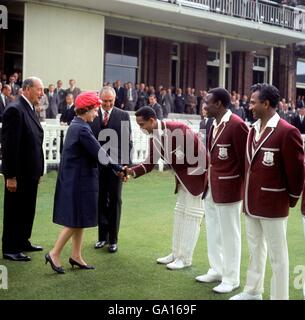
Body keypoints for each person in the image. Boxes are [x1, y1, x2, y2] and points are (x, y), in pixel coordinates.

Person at [230, 83, 305, 300]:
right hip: (252, 201)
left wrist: (290, 199)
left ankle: (279, 297)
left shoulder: (287, 131)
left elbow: (296, 171)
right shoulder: (252, 129)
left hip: (274, 202)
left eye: (254, 102)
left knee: (278, 256)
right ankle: (253, 291)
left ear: (266, 103)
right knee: (255, 249)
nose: (249, 105)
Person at [45, 91, 124, 274]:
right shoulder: (82, 129)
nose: (97, 113)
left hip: (77, 181)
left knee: (79, 220)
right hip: (78, 183)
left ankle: (76, 255)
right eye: (95, 110)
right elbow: (100, 154)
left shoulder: (77, 125)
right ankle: (55, 253)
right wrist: (119, 169)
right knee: (74, 221)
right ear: (86, 109)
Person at [124, 106, 207, 270]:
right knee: (179, 213)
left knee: (192, 216)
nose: (141, 129)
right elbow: (149, 164)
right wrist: (131, 172)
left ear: (152, 121)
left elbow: (203, 155)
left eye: (142, 125)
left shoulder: (180, 129)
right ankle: (176, 254)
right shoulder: (152, 136)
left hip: (197, 180)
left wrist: (201, 182)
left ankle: (185, 258)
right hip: (182, 181)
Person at [196, 87, 249, 294]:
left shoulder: (237, 125)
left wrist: (243, 190)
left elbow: (246, 161)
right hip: (211, 187)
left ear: (218, 104)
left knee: (230, 234)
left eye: (207, 102)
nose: (204, 105)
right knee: (213, 230)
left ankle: (231, 278)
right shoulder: (212, 123)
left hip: (230, 188)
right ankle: (216, 269)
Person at [1, 77, 45, 262]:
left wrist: (38, 171)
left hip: (30, 174)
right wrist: (10, 176)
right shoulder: (14, 109)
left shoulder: (29, 108)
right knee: (15, 211)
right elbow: (9, 146)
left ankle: (22, 241)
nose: (42, 94)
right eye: (39, 90)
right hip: (18, 175)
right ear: (26, 89)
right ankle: (11, 248)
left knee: (27, 210)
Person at [91, 86, 132, 253]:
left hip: (116, 167)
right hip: (97, 167)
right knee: (100, 200)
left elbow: (127, 143)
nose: (107, 104)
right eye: (105, 101)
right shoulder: (92, 115)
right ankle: (102, 237)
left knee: (115, 200)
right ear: (100, 99)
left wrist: (125, 168)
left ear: (115, 100)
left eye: (111, 101)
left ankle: (113, 240)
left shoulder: (123, 115)